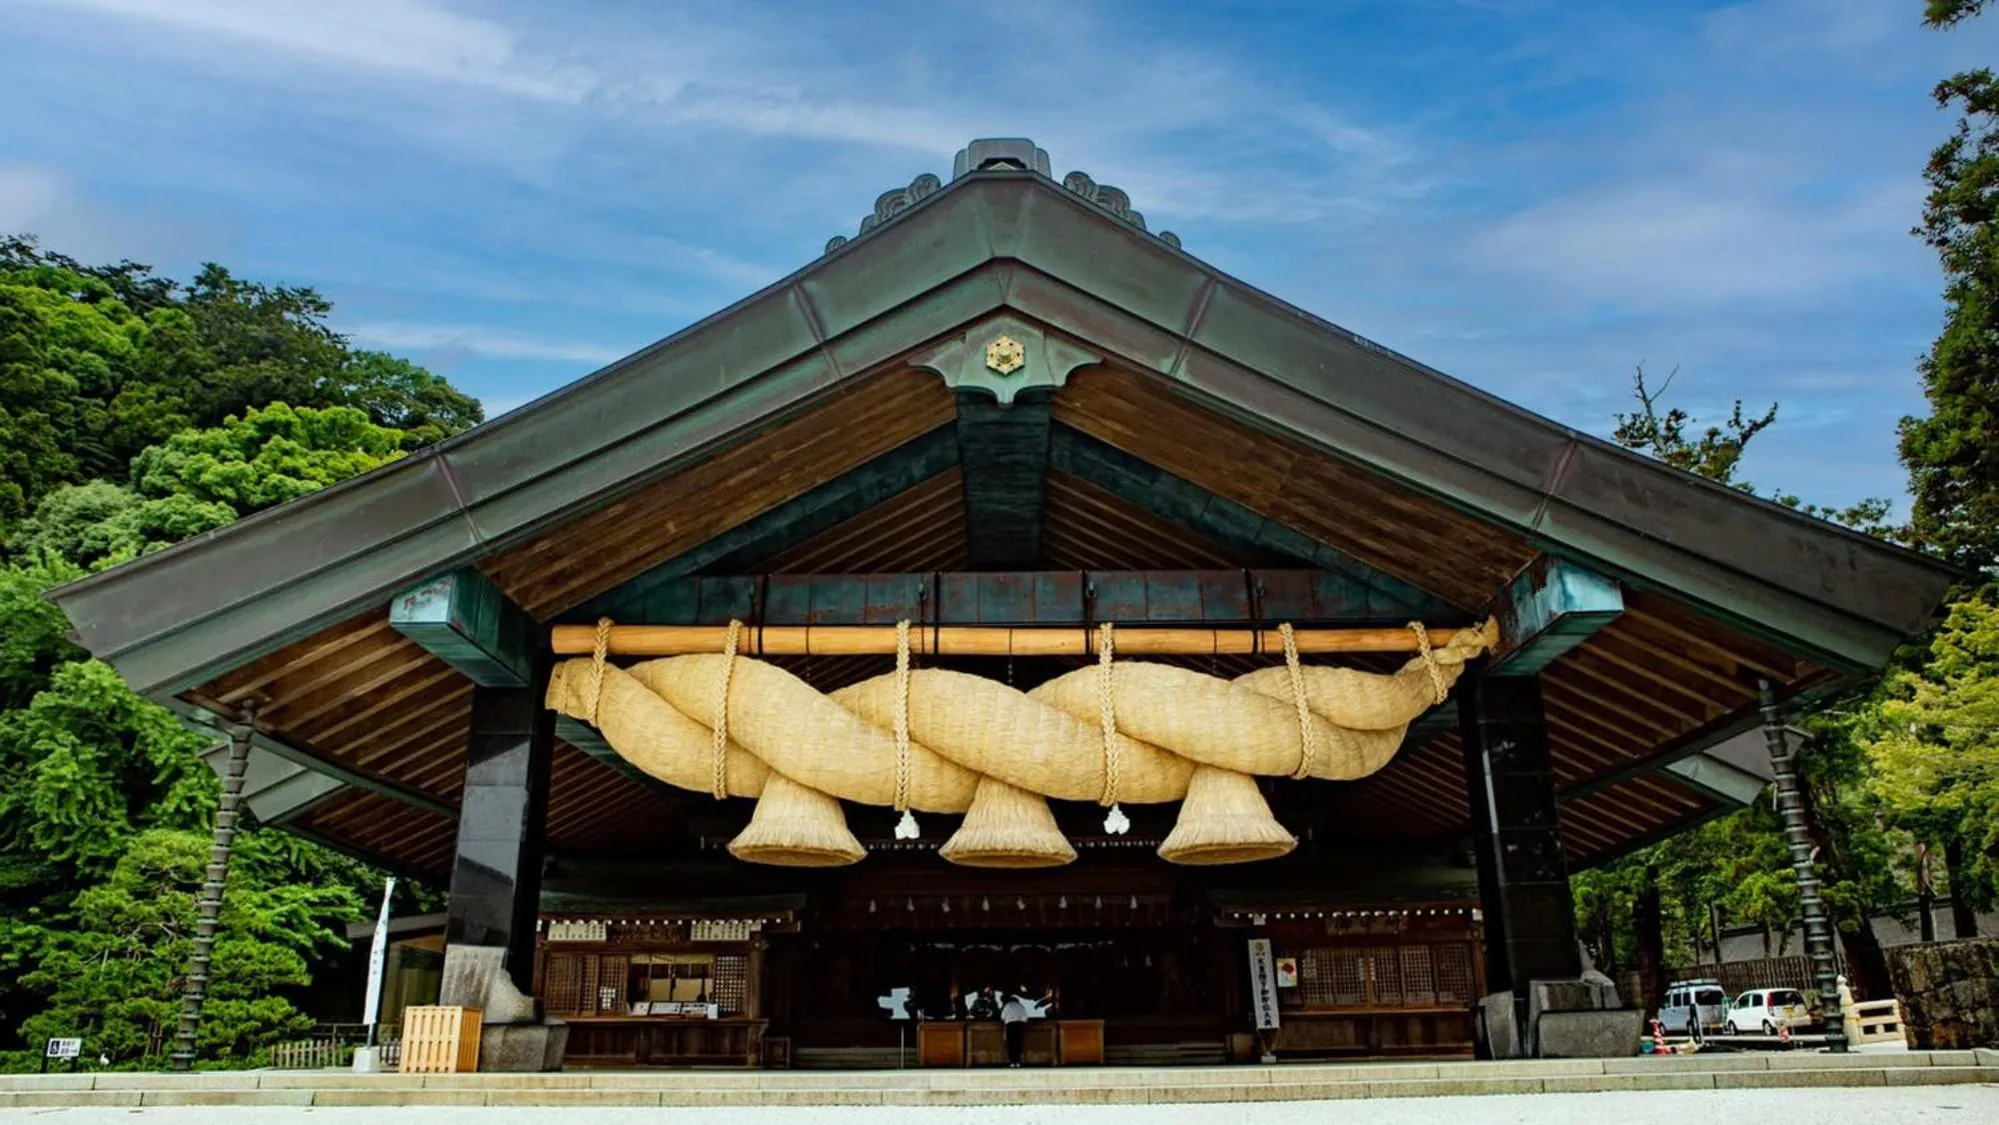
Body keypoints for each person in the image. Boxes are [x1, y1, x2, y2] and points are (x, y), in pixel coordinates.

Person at [1000, 988, 1030, 1067]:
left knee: (1011, 1044)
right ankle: (1018, 1061)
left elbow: (1002, 1017)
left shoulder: (1007, 1006)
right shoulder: (1021, 1006)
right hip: (1019, 1026)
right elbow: (1025, 1018)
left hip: (1010, 1026)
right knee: (1018, 1044)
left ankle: (1012, 1062)